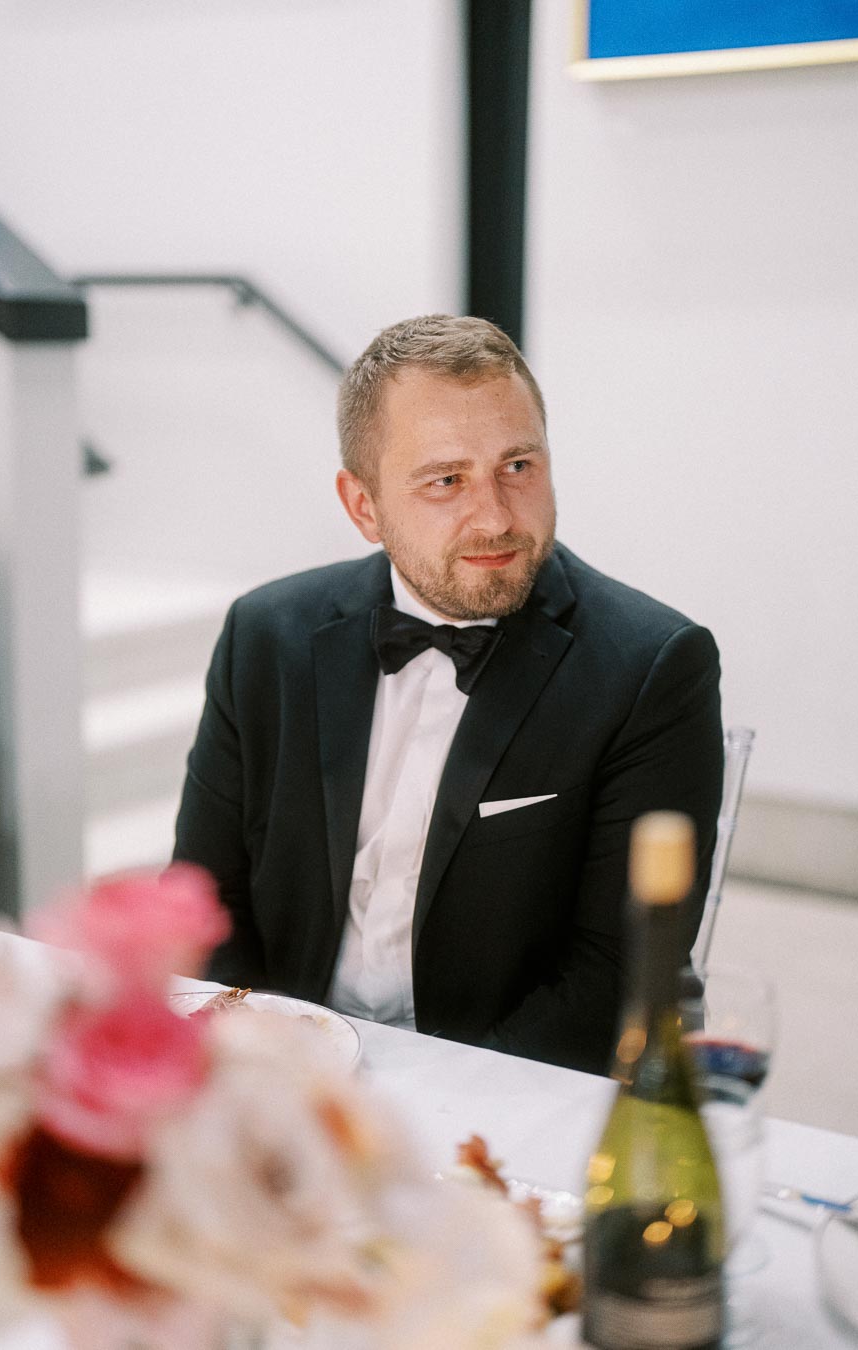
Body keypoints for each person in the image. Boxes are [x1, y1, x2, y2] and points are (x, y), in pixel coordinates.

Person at [173, 314, 723, 1074]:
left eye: (519, 466)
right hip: (289, 1080)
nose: (496, 515)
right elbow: (202, 899)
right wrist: (275, 1077)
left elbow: (616, 975)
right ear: (363, 506)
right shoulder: (266, 634)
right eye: (446, 480)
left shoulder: (653, 665)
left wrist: (429, 1114)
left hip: (505, 1091)